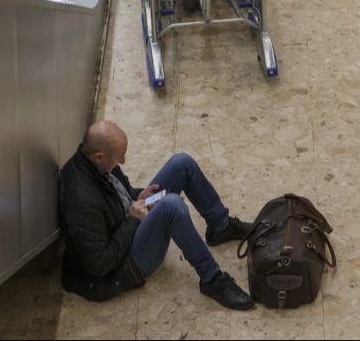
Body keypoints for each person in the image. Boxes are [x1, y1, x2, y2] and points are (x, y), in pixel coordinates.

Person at [59, 120, 255, 309]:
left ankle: (221, 227)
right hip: (123, 267)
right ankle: (212, 279)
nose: (123, 161)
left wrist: (137, 195)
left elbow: (117, 194)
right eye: (120, 156)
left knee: (182, 163)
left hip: (127, 221)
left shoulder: (95, 162)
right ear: (99, 156)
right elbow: (100, 265)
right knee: (172, 206)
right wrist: (133, 220)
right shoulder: (82, 201)